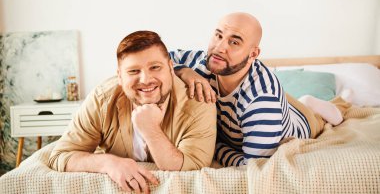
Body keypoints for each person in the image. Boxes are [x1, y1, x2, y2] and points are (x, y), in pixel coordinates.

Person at [170, 12, 350, 167]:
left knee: (333, 117)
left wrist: (215, 146)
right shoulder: (203, 61)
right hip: (265, 104)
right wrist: (184, 71)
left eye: (234, 42)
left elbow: (254, 166)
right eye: (218, 36)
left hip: (303, 122)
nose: (220, 47)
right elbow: (159, 59)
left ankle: (316, 104)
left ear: (253, 54)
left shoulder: (262, 103)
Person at [48, 31, 217, 194]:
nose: (145, 80)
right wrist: (108, 163)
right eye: (133, 71)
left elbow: (192, 166)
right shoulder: (101, 99)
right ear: (120, 77)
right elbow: (61, 156)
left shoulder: (198, 101)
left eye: (155, 67)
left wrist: (150, 129)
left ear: (171, 68)